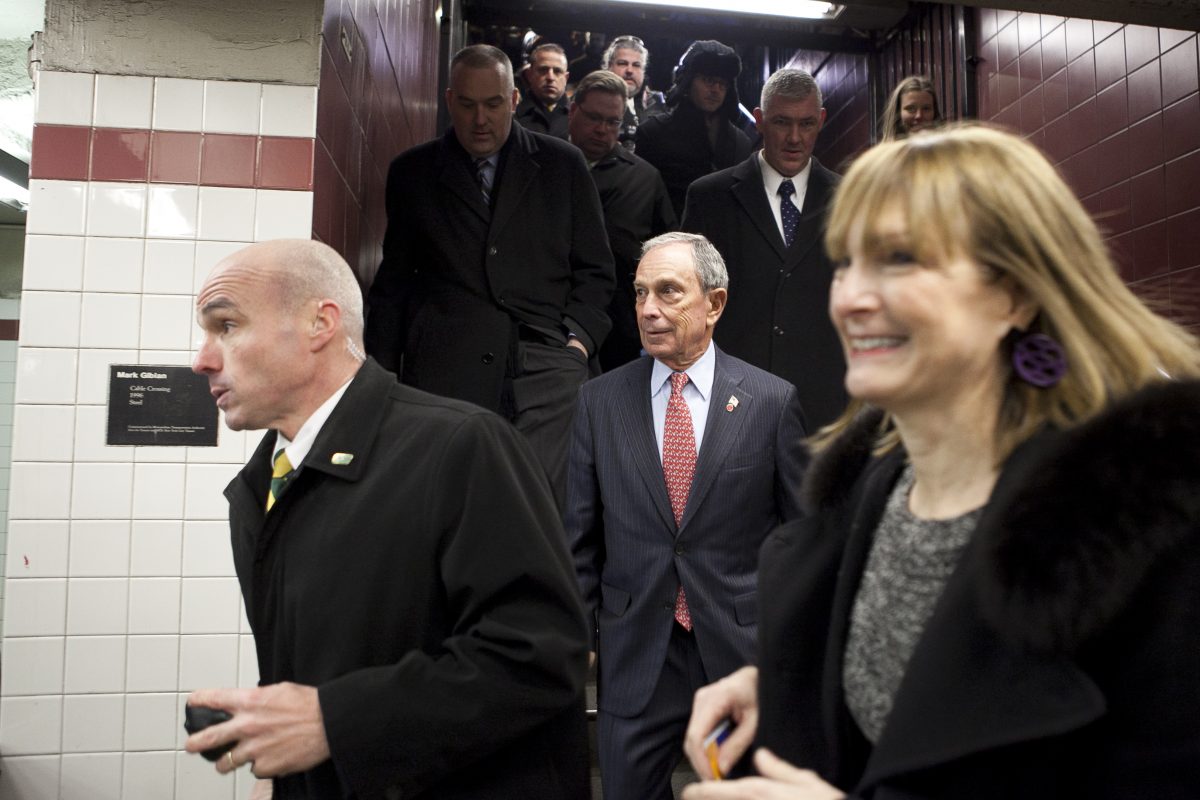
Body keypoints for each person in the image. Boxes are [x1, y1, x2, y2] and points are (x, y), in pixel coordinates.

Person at [681, 124, 1200, 799]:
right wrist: (794, 683)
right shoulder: (863, 498)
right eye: (846, 262)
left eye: (899, 259)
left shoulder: (1153, 523)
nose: (851, 298)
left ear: (1015, 293)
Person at [184, 239, 591, 800]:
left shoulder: (461, 446)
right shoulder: (259, 491)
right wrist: (280, 770)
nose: (201, 360)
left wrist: (333, 722)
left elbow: (540, 656)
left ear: (320, 324)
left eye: (226, 325)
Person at [566, 232, 808, 799]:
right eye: (640, 293)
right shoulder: (599, 402)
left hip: (737, 654)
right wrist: (579, 638)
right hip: (636, 655)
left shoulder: (771, 402)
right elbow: (578, 536)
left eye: (668, 291)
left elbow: (802, 539)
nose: (648, 309)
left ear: (714, 303)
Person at [364, 44, 614, 508]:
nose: (480, 119)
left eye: (493, 104)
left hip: (547, 365)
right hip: (446, 371)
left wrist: (576, 344)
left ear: (514, 100)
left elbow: (597, 270)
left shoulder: (563, 164)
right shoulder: (413, 173)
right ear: (448, 101)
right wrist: (379, 381)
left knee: (539, 512)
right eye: (467, 104)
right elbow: (393, 284)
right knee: (453, 509)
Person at [682, 68, 847, 429]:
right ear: (758, 120)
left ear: (821, 121)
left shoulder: (853, 198)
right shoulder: (709, 197)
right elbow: (690, 301)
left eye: (806, 124)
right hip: (732, 401)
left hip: (825, 405)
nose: (794, 138)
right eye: (781, 122)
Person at [568, 70, 677, 370]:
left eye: (612, 122)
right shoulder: (546, 166)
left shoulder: (645, 179)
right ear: (573, 111)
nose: (602, 129)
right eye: (594, 118)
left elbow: (670, 254)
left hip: (620, 327)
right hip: (550, 320)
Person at [637, 40, 753, 219]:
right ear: (688, 81)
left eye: (722, 83)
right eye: (708, 80)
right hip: (668, 233)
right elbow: (643, 204)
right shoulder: (652, 133)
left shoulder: (741, 143)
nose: (716, 89)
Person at [601, 35, 664, 150]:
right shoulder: (592, 101)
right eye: (622, 63)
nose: (629, 70)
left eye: (636, 65)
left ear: (643, 71)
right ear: (609, 67)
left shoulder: (659, 105)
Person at [516, 42, 571, 138]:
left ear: (566, 78)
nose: (550, 77)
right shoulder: (513, 117)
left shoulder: (578, 118)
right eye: (543, 70)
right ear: (529, 75)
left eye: (557, 71)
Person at [879, 75, 941, 141]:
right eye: (911, 109)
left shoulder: (947, 147)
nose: (919, 115)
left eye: (926, 108)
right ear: (898, 112)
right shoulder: (886, 148)